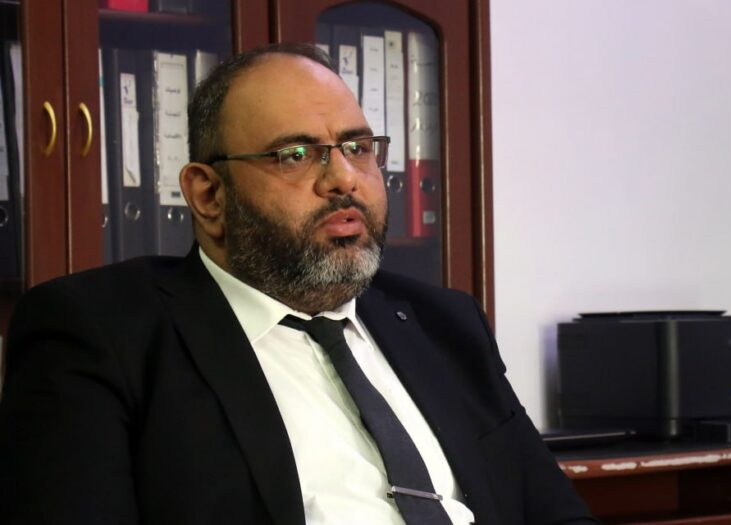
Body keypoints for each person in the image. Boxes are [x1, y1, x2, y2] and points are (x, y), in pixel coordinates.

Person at [0, 43, 596, 525]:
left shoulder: (446, 324)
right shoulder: (102, 333)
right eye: (294, 155)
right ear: (208, 194)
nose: (344, 179)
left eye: (357, 148)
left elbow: (554, 512)